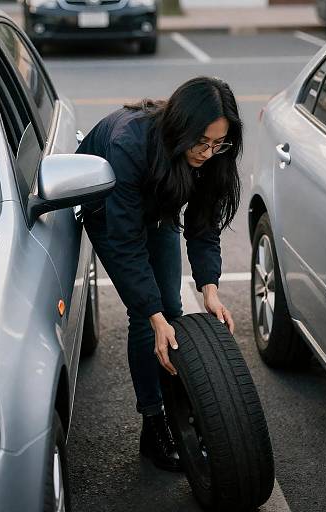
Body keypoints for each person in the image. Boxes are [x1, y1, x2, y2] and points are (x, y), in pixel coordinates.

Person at [77, 76, 242, 472]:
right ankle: (153, 425)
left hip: (160, 202)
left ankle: (176, 407)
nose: (208, 152)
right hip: (110, 213)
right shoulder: (128, 144)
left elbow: (203, 224)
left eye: (219, 143)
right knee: (148, 314)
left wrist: (210, 288)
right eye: (201, 142)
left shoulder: (211, 154)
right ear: (181, 128)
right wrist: (152, 315)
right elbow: (126, 241)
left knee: (172, 309)